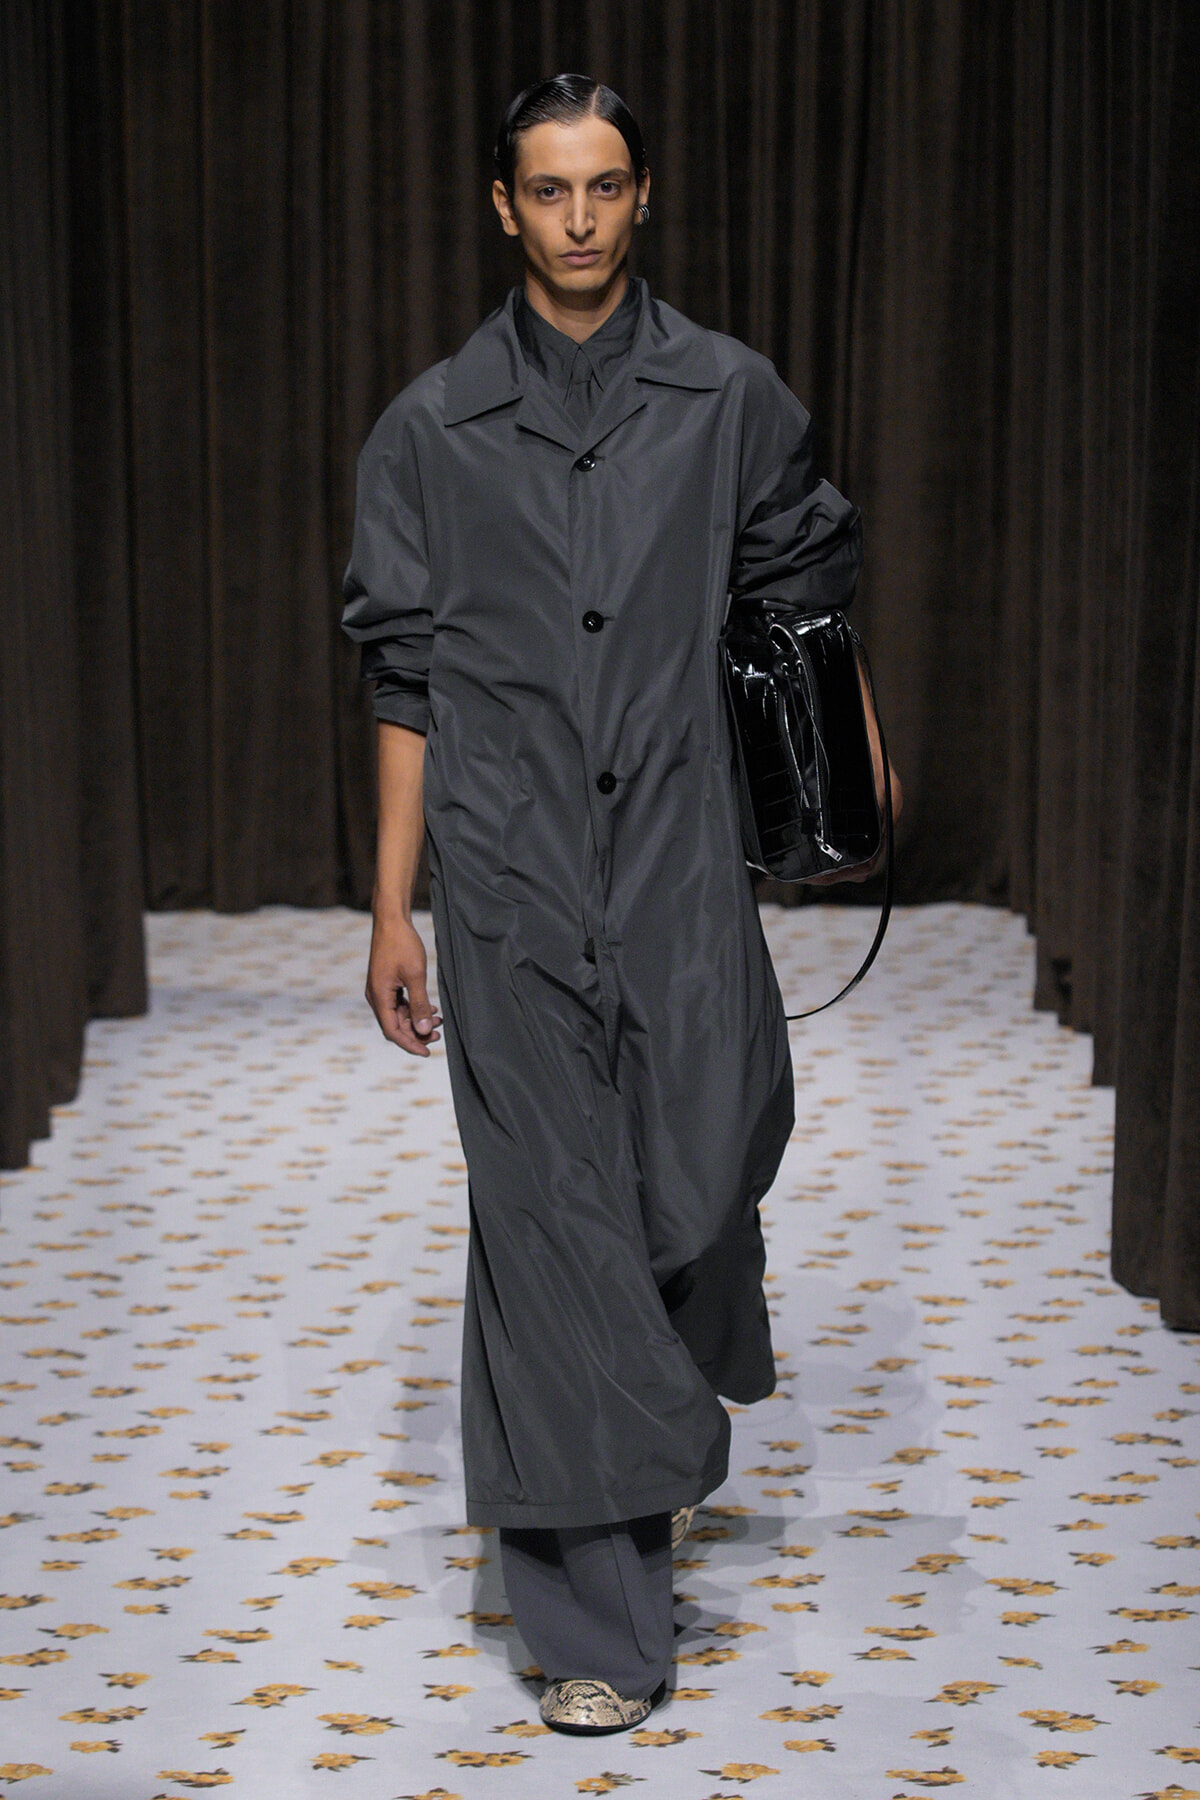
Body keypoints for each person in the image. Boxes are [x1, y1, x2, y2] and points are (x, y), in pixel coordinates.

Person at [341, 73, 898, 1737]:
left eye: (604, 187)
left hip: (677, 854)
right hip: (507, 878)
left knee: (704, 1175)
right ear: (502, 209)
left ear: (640, 198)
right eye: (546, 189)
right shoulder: (430, 428)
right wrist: (391, 907)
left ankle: (649, 1392)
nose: (577, 216)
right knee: (551, 1228)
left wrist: (846, 793)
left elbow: (807, 582)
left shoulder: (726, 394)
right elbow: (402, 675)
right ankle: (596, 1626)